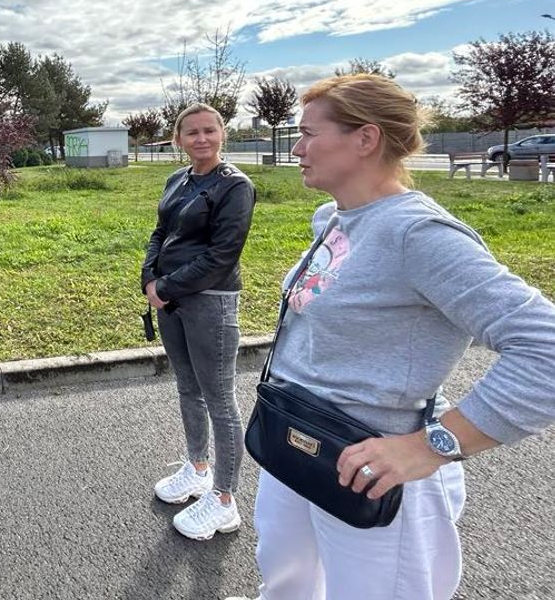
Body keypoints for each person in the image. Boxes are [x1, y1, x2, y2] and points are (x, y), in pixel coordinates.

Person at [231, 74, 555, 600]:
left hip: (371, 471)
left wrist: (434, 445)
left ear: (366, 139)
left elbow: (546, 348)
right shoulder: (334, 218)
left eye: (310, 133)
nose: (296, 148)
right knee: (286, 578)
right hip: (294, 437)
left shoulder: (419, 234)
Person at [141, 102, 256, 540]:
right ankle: (197, 468)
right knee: (187, 388)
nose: (201, 139)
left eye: (210, 131)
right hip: (171, 300)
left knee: (219, 400)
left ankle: (224, 499)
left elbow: (223, 255)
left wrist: (167, 288)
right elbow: (160, 233)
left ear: (222, 135)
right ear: (179, 139)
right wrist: (150, 278)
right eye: (192, 133)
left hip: (210, 301)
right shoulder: (178, 179)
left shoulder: (235, 187)